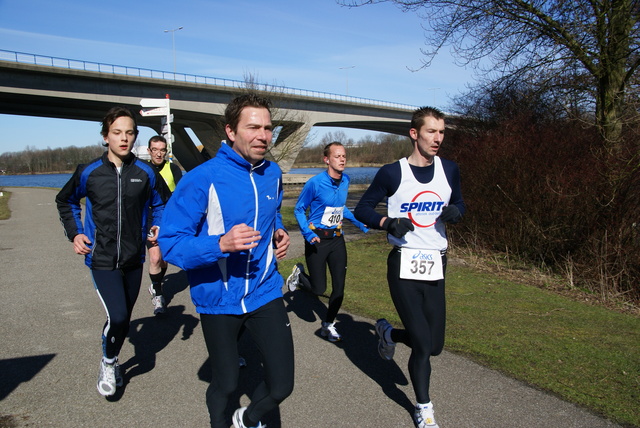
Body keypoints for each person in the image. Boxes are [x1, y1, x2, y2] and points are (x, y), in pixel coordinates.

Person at [158, 94, 293, 428]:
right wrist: (220, 244)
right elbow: (170, 243)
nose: (263, 135)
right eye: (253, 128)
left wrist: (279, 231)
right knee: (227, 383)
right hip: (219, 298)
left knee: (281, 385)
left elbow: (270, 213)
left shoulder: (273, 173)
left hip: (265, 291)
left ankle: (244, 419)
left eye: (268, 128)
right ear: (231, 131)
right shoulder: (201, 179)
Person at [354, 106, 465, 428]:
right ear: (414, 134)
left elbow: (459, 202)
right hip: (404, 264)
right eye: (432, 131)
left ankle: (388, 332)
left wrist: (457, 212)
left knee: (435, 346)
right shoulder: (392, 173)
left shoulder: (450, 169)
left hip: (437, 264)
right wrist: (386, 222)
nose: (438, 138)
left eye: (442, 132)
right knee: (422, 341)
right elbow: (362, 208)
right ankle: (424, 407)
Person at [56, 106, 169, 397]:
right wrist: (76, 232)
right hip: (102, 258)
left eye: (130, 132)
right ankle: (108, 363)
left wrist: (156, 226)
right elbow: (65, 201)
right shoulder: (89, 172)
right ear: (106, 137)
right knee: (118, 316)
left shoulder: (145, 173)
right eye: (117, 132)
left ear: (135, 137)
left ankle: (113, 354)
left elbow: (161, 204)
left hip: (133, 259)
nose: (124, 138)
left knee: (123, 319)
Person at [286, 142, 368, 342]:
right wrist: (307, 233)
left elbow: (341, 209)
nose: (342, 159)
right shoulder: (315, 183)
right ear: (327, 160)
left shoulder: (346, 180)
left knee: (339, 289)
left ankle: (327, 325)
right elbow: (299, 209)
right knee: (318, 289)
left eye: (344, 156)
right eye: (338, 156)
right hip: (317, 240)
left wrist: (360, 223)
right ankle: (299, 275)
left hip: (337, 240)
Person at [145, 135, 182, 314]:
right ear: (149, 151)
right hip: (150, 218)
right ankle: (158, 296)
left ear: (166, 152)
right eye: (155, 150)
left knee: (164, 259)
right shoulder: (142, 170)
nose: (158, 154)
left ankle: (155, 283)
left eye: (162, 150)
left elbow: (180, 196)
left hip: (168, 219)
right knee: (154, 258)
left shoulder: (173, 169)